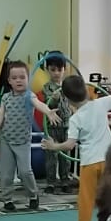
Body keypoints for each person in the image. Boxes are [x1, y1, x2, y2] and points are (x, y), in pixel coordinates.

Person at [41, 73, 111, 221]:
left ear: (67, 100)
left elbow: (69, 145)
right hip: (109, 160)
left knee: (86, 199)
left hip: (90, 163)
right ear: (87, 90)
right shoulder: (101, 103)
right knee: (109, 198)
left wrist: (53, 146)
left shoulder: (75, 119)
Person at [0, 61, 62, 212]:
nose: (18, 80)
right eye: (14, 78)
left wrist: (48, 111)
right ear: (9, 81)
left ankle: (33, 195)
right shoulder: (6, 98)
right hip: (6, 140)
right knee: (6, 174)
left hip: (22, 141)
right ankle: (7, 200)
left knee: (25, 172)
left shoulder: (29, 96)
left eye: (22, 77)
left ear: (28, 79)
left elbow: (38, 104)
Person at [39, 52, 75, 195]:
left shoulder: (69, 86)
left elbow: (73, 103)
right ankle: (51, 182)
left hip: (66, 126)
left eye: (59, 70)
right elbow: (48, 104)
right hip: (51, 126)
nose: (56, 73)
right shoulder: (47, 87)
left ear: (64, 69)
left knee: (65, 155)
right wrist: (54, 98)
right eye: (53, 70)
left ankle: (65, 180)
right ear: (47, 70)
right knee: (51, 156)